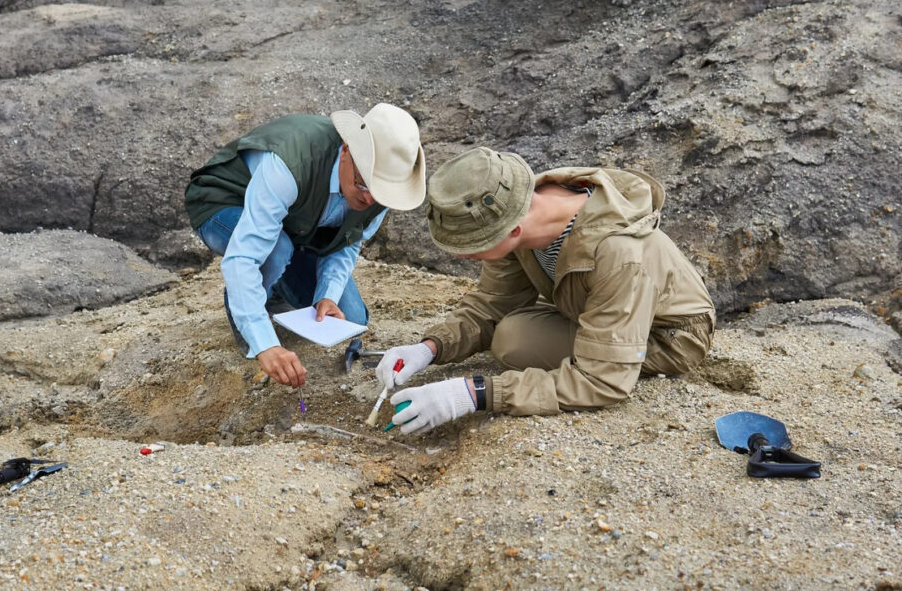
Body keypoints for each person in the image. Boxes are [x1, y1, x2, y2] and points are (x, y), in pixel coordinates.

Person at [377, 148, 715, 435]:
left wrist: (473, 393)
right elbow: (491, 305)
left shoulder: (619, 253)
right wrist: (429, 348)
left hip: (667, 335)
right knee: (512, 334)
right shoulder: (511, 205)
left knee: (514, 344)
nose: (465, 256)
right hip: (585, 310)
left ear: (513, 230)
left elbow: (602, 381)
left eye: (471, 247)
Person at [185, 104, 425, 388]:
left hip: (294, 225)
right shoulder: (290, 163)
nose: (371, 200)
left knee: (352, 318)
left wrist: (328, 296)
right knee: (275, 249)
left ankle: (272, 290)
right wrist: (265, 346)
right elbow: (243, 257)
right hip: (224, 203)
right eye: (364, 185)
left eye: (381, 192)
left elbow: (346, 242)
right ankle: (250, 309)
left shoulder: (380, 193)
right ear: (347, 150)